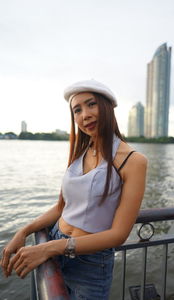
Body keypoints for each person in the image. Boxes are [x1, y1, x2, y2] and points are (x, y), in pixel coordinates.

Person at [0, 79, 147, 300]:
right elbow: (63, 206)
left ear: (107, 108)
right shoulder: (81, 152)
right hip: (55, 240)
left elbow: (118, 235)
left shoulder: (133, 161)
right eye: (77, 110)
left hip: (90, 263)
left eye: (91, 105)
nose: (84, 115)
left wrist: (51, 248)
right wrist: (24, 231)